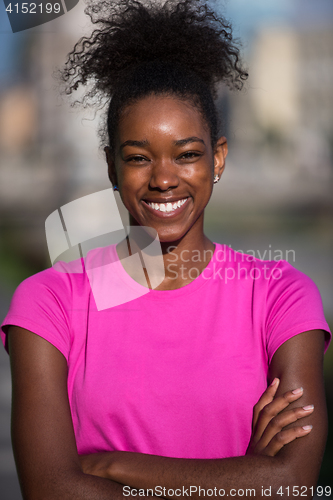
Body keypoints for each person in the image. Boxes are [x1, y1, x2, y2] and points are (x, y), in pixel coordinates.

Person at [1, 1, 331, 498]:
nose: (162, 178)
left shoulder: (281, 294)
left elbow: (291, 481)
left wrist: (112, 466)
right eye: (138, 157)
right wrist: (242, 481)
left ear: (217, 158)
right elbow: (50, 489)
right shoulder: (47, 303)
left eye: (187, 154)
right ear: (111, 166)